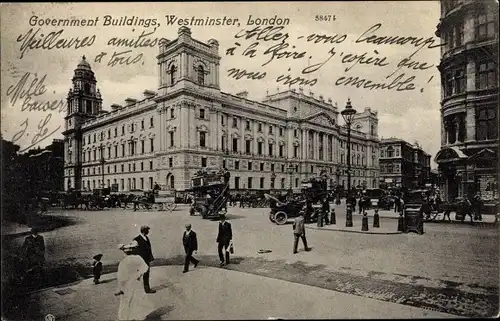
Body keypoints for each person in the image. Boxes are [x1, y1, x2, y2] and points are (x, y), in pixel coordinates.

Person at [115, 241, 154, 321]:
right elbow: (145, 268)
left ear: (124, 252)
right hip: (136, 281)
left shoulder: (124, 261)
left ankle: (125, 318)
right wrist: (139, 275)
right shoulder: (138, 258)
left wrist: (120, 288)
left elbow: (121, 276)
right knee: (137, 298)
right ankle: (138, 316)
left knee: (126, 300)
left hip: (127, 283)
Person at [133, 226, 155, 293]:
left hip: (146, 259)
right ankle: (146, 289)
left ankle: (147, 289)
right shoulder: (137, 239)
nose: (148, 232)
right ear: (143, 231)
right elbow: (134, 250)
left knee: (146, 274)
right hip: (141, 260)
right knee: (144, 273)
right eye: (147, 230)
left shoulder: (146, 238)